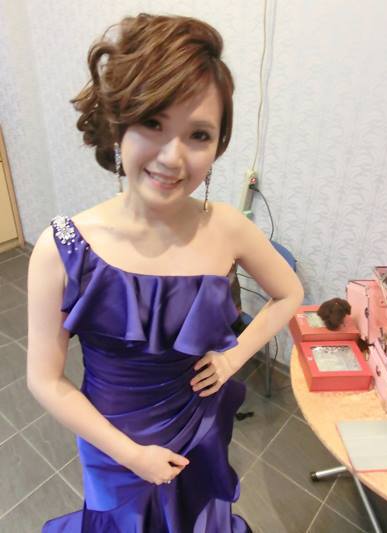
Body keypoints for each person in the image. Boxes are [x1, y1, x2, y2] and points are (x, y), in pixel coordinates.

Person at [27, 13, 304, 533]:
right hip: (115, 444)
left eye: (198, 135)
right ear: (119, 123)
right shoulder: (61, 249)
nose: (173, 158)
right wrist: (133, 456)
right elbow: (43, 379)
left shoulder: (227, 227)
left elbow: (289, 293)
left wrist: (233, 358)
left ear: (218, 146)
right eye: (153, 123)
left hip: (197, 427)